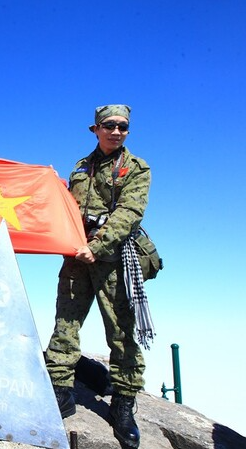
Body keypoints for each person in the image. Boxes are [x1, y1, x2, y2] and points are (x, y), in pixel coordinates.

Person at [44, 104, 150, 448]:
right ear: (96, 129)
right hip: (76, 256)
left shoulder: (136, 168)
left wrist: (99, 246)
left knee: (121, 329)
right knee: (65, 324)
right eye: (109, 125)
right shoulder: (80, 167)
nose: (116, 131)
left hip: (113, 258)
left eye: (122, 126)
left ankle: (122, 403)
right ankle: (61, 391)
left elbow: (130, 213)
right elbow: (65, 207)